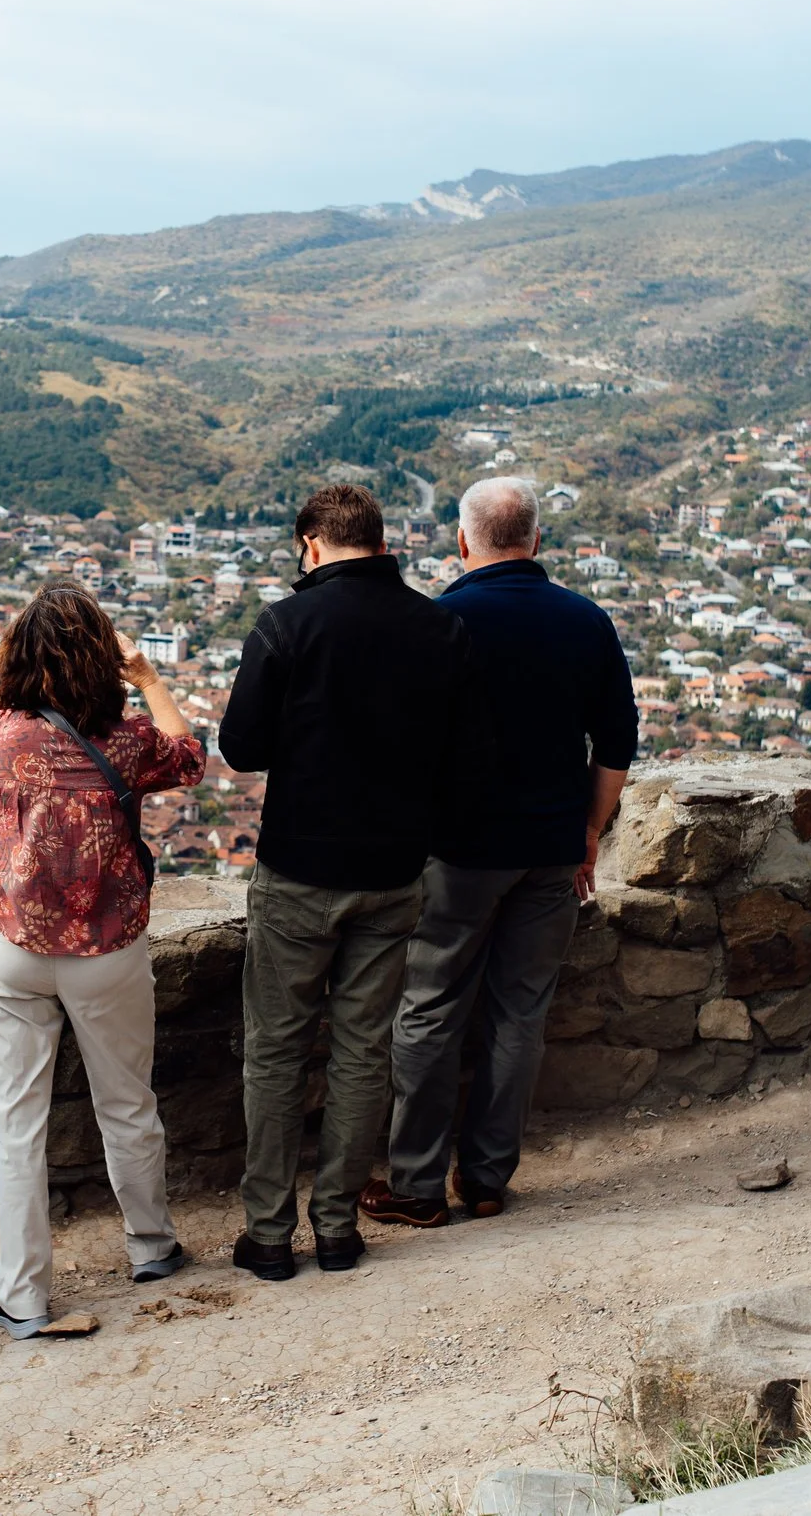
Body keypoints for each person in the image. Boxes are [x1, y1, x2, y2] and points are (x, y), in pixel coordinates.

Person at [216, 483, 476, 1280]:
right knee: (364, 1051)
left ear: (313, 544)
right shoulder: (440, 627)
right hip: (395, 868)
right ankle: (335, 1227)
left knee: (276, 1051)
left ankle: (268, 1233)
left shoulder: (287, 623)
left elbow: (240, 746)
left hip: (299, 867)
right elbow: (462, 755)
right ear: (380, 540)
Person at [363, 478, 638, 1228]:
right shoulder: (586, 622)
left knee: (430, 1008)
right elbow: (616, 743)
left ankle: (415, 1183)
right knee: (521, 1014)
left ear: (462, 542)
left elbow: (398, 749)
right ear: (538, 540)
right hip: (551, 848)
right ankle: (485, 1178)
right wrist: (591, 828)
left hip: (455, 852)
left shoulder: (438, 621)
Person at [0, 582, 206, 1338]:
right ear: (103, 661)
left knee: (16, 1124)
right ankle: (151, 1246)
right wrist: (148, 678)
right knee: (127, 1103)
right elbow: (190, 756)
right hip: (105, 948)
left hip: (10, 947)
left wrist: (17, 671)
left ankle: (23, 1295)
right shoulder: (124, 740)